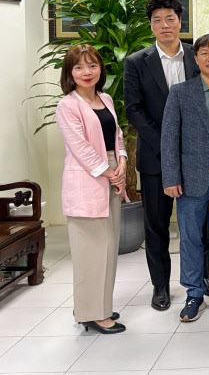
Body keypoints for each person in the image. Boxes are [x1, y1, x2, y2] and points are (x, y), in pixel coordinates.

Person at [124, 0, 209, 310]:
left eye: (171, 19)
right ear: (151, 25)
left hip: (194, 158)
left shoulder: (197, 56)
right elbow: (133, 109)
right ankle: (160, 286)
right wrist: (165, 141)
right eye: (158, 20)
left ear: (180, 22)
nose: (165, 25)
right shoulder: (137, 62)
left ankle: (202, 279)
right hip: (155, 159)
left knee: (200, 223)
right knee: (157, 224)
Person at [161, 34, 209, 322]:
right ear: (195, 59)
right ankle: (194, 292)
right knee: (191, 238)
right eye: (204, 53)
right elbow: (169, 138)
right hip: (190, 180)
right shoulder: (180, 93)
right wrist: (170, 177)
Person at [56, 45, 127, 334]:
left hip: (111, 173)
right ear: (70, 73)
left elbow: (117, 134)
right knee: (91, 251)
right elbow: (81, 148)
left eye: (92, 65)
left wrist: (122, 160)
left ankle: (99, 305)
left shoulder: (105, 98)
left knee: (108, 248)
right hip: (89, 179)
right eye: (79, 67)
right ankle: (92, 313)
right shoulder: (67, 105)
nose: (87, 72)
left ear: (101, 69)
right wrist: (110, 172)